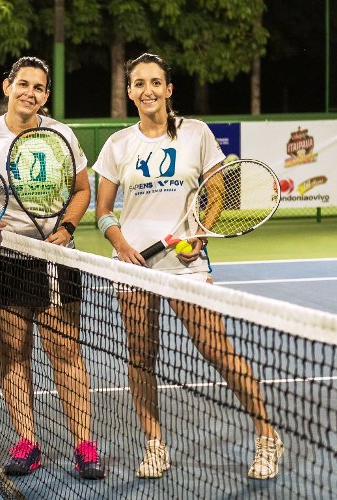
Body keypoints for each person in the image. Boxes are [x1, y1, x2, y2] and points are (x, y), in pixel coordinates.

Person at [92, 52, 284, 480]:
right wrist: (120, 243)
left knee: (218, 351)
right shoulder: (118, 144)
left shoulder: (196, 133)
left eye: (155, 82)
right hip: (133, 267)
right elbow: (102, 211)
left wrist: (201, 234)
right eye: (139, 83)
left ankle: (268, 437)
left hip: (186, 265)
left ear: (168, 89)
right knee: (141, 357)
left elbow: (218, 193)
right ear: (130, 92)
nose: (148, 90)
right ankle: (154, 445)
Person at [0, 56, 106, 480]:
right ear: (7, 86)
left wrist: (67, 228)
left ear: (46, 95)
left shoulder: (61, 135)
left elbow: (81, 190)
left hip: (53, 259)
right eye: (23, 84)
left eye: (38, 88)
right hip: (2, 258)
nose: (29, 93)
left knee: (65, 350)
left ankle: (85, 444)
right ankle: (27, 442)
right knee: (13, 351)